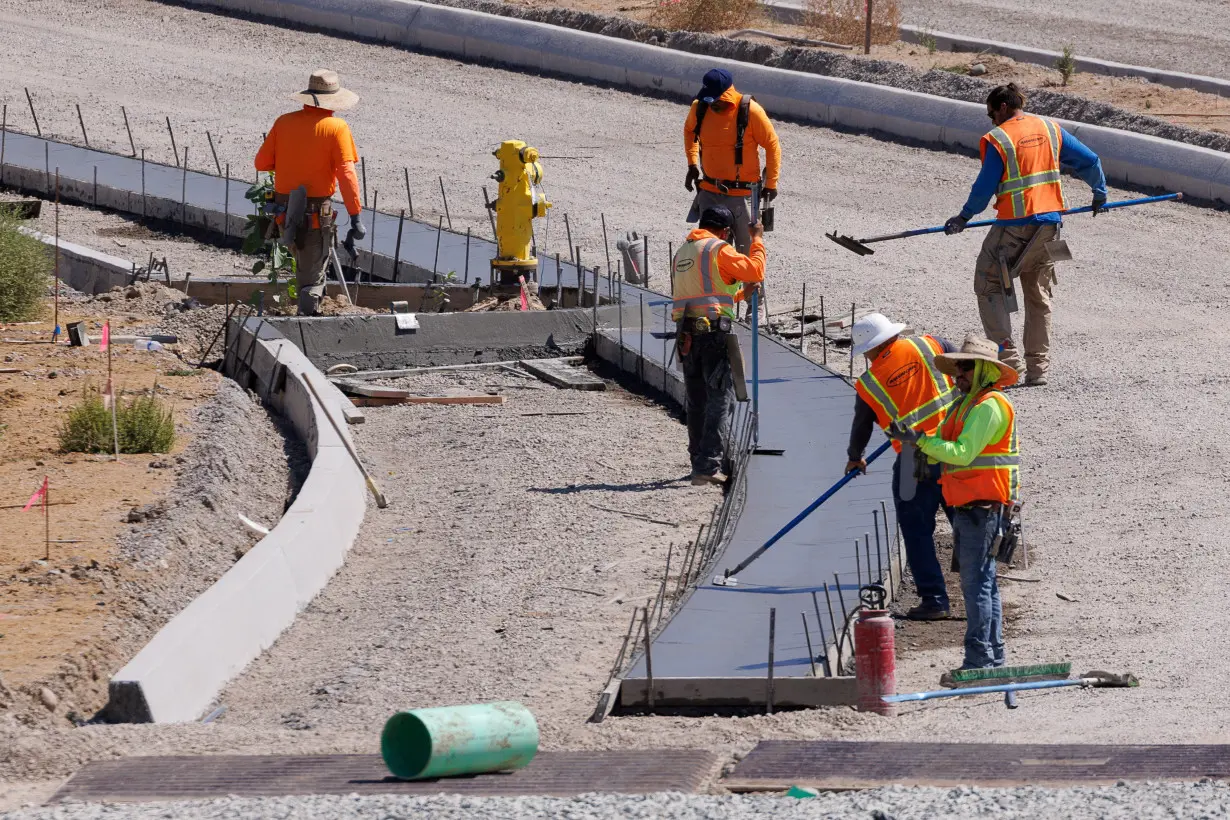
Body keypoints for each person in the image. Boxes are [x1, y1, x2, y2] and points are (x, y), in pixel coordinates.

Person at [944, 83, 1107, 387]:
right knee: (1038, 294)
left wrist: (964, 216)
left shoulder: (999, 138)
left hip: (1014, 227)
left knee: (988, 281)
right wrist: (1099, 192)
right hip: (1050, 226)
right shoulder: (1050, 128)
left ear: (1003, 107)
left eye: (991, 113)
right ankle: (1038, 369)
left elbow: (984, 188)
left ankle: (1008, 364)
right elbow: (1090, 160)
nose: (991, 120)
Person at [888, 335, 1019, 670]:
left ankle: (979, 659)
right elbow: (945, 439)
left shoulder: (989, 406)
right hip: (972, 506)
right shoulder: (965, 404)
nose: (957, 375)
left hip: (982, 507)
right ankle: (993, 656)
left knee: (976, 586)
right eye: (957, 368)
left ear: (984, 371)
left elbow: (962, 453)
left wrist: (920, 441)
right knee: (983, 583)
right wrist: (918, 439)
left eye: (965, 368)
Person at [847, 313, 959, 620]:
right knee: (965, 522)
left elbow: (862, 424)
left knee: (917, 528)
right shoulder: (930, 344)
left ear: (870, 348)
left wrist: (855, 456)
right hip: (956, 448)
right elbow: (965, 370)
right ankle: (980, 589)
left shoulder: (870, 382)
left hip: (914, 461)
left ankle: (935, 599)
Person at [255, 69, 365, 316]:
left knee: (302, 262)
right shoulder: (337, 128)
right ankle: (307, 323)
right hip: (315, 213)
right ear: (333, 100)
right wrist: (355, 216)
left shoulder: (284, 122)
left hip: (283, 210)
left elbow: (261, 163)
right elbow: (346, 175)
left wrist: (290, 163)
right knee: (312, 276)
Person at [671, 205, 766, 485]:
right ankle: (709, 466)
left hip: (686, 336)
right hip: (713, 334)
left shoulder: (682, 253)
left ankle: (698, 462)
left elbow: (704, 294)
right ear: (725, 231)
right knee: (719, 400)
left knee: (697, 401)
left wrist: (738, 296)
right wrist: (757, 239)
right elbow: (755, 270)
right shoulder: (718, 249)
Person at [683, 69, 781, 255]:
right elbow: (689, 131)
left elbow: (772, 145)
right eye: (708, 99)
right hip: (710, 192)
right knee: (712, 255)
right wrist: (692, 164)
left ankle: (752, 285)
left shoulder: (750, 111)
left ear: (726, 94)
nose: (712, 104)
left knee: (747, 255)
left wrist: (771, 184)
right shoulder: (700, 108)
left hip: (743, 196)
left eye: (716, 99)